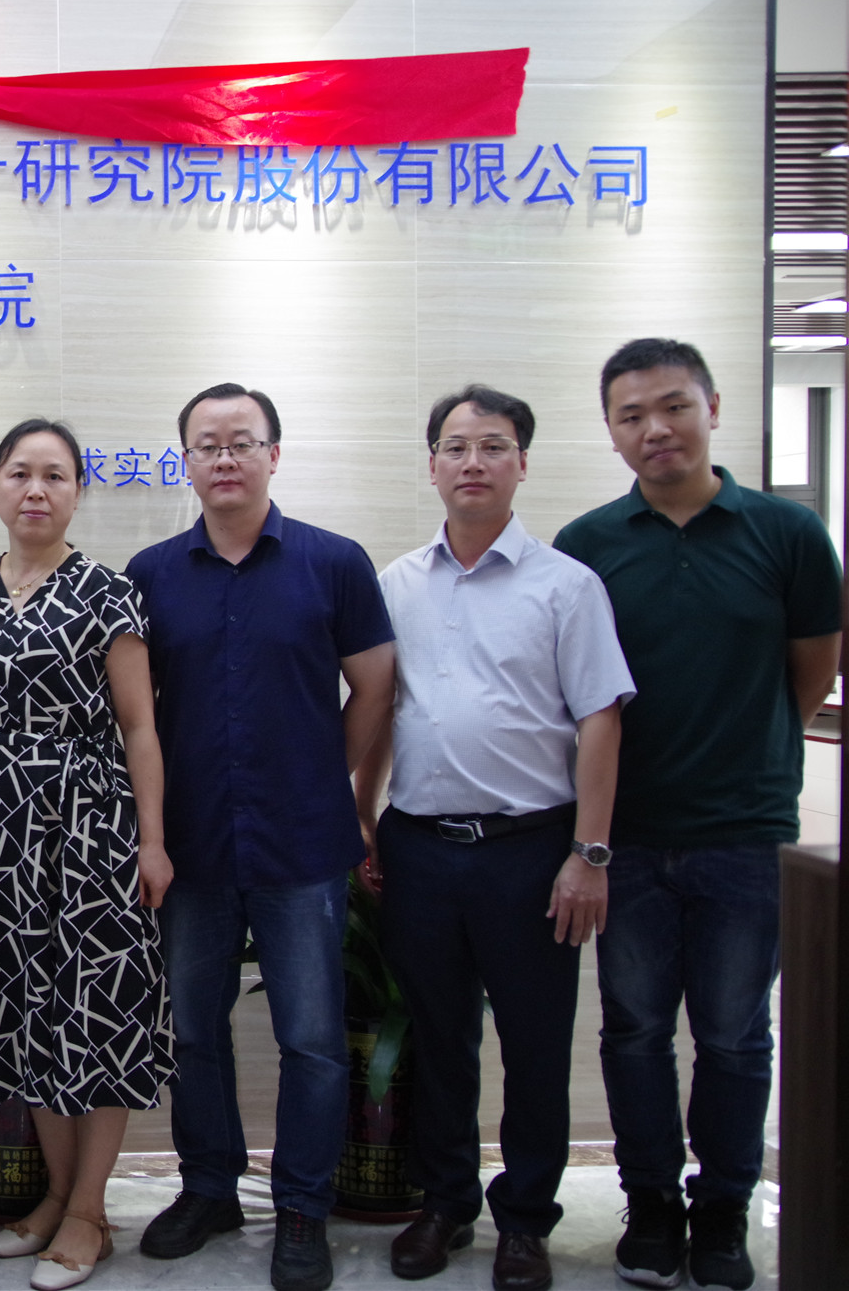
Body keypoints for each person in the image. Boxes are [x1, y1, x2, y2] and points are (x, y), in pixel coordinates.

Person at [554, 339, 841, 1291]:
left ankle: (722, 1211)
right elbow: (579, 696)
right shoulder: (589, 545)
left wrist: (751, 752)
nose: (656, 428)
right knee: (634, 1031)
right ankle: (651, 1207)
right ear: (611, 432)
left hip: (745, 835)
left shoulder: (787, 534)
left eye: (673, 406)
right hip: (627, 836)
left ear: (712, 407)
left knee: (734, 1034)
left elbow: (813, 668)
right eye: (632, 415)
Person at [352, 385, 633, 1291]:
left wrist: (589, 852)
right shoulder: (396, 583)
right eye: (456, 446)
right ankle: (445, 1204)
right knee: (439, 1038)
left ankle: (525, 1220)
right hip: (421, 846)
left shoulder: (567, 585)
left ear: (522, 462)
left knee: (536, 1044)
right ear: (431, 464)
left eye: (494, 445)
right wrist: (364, 815)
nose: (473, 461)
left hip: (531, 850)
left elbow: (600, 721)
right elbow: (379, 708)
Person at [125, 384, 395, 1291]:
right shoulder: (151, 573)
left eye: (242, 441)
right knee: (192, 1031)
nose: (225, 457)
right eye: (207, 444)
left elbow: (376, 687)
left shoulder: (333, 562)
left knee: (311, 1038)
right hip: (193, 845)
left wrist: (330, 780)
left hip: (302, 845)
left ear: (274, 454)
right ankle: (210, 1188)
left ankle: (304, 1206)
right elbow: (138, 715)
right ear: (187, 462)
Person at [0, 418, 173, 1291]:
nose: (35, 489)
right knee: (28, 1012)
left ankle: (88, 1211)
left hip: (94, 824)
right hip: (4, 824)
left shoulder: (110, 592)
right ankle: (55, 1196)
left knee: (97, 1007)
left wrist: (152, 841)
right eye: (19, 472)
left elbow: (140, 726)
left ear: (78, 490)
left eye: (54, 474)